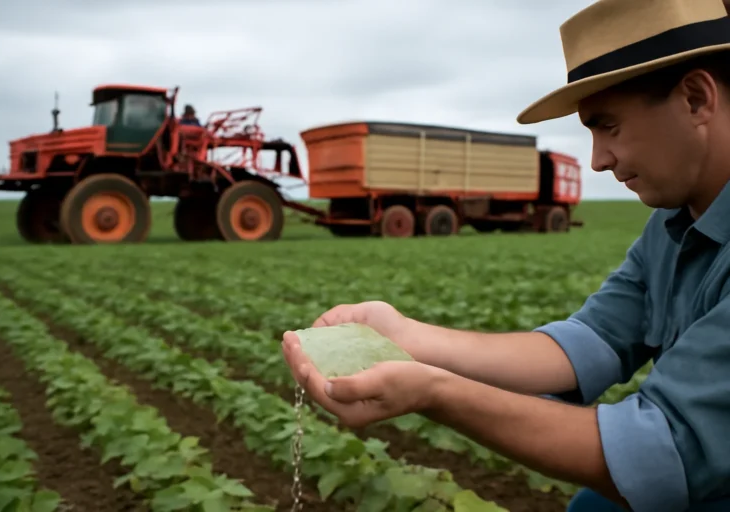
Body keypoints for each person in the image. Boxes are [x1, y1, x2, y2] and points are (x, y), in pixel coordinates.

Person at [281, 0, 730, 511]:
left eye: (610, 127)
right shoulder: (672, 224)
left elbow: (668, 452)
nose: (599, 160)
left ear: (696, 99)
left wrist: (436, 392)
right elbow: (592, 342)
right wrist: (409, 338)